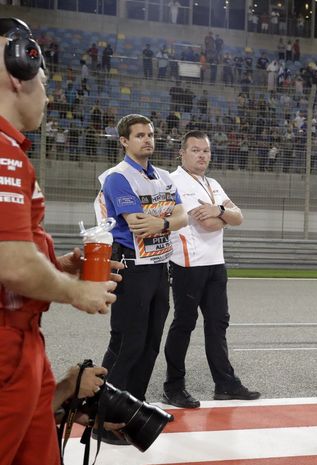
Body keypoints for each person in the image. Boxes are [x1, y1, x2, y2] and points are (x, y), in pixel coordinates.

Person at [0, 17, 118, 465]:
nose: (48, 95)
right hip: (6, 344)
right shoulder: (3, 153)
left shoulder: (11, 151)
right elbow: (10, 264)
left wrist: (61, 264)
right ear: (18, 75)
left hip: (24, 342)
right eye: (45, 83)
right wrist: (76, 291)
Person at [94, 113, 187, 445]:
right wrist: (167, 218)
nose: (147, 139)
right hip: (130, 266)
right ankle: (102, 419)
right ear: (124, 141)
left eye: (150, 134)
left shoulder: (162, 177)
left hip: (160, 268)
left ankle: (131, 412)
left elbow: (182, 215)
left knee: (150, 344)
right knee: (125, 344)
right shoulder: (117, 178)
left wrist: (162, 222)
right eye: (139, 135)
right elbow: (136, 223)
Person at [161, 131, 260, 409]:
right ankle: (173, 386)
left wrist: (218, 210)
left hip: (216, 264)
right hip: (187, 265)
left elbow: (237, 217)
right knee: (184, 324)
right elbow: (208, 223)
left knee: (218, 324)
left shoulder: (212, 183)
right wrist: (223, 213)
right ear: (182, 153)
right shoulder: (174, 181)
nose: (202, 155)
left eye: (205, 151)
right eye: (195, 150)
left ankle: (225, 384)